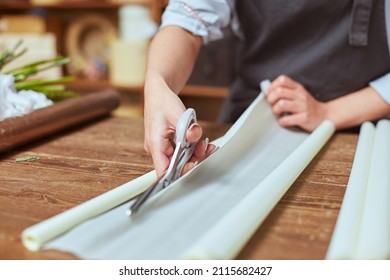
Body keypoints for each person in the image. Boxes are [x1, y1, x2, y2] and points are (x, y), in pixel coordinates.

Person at [143, 0, 390, 178]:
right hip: (252, 119)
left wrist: (328, 113)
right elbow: (185, 22)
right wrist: (158, 85)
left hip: (361, 131)